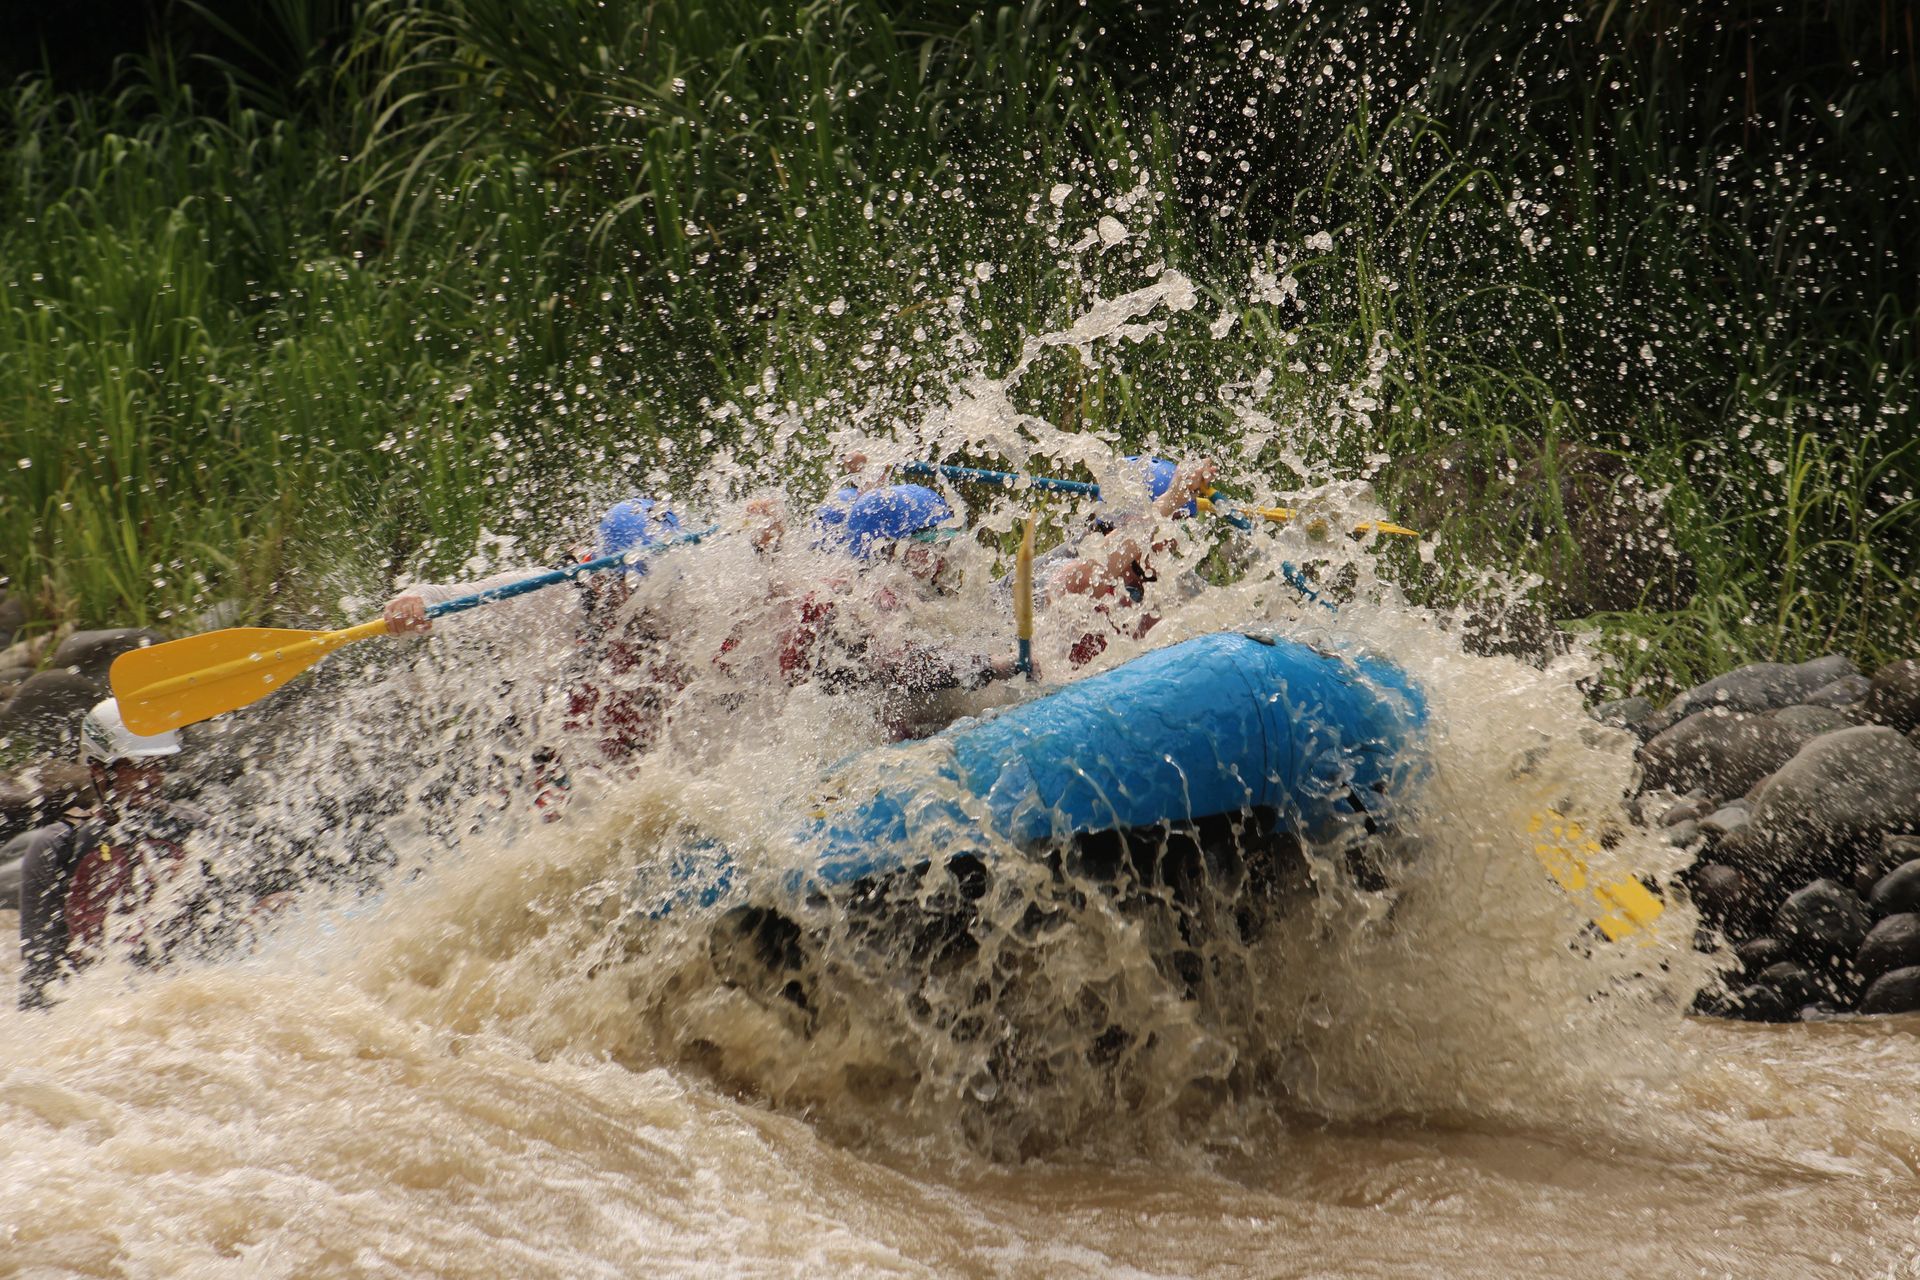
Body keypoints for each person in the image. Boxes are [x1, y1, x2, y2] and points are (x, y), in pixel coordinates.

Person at [382, 498, 693, 789]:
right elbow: (440, 596)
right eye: (632, 585)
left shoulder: (685, 601)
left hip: (646, 756)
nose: (646, 603)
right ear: (602, 573)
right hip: (556, 764)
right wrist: (411, 602)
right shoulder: (550, 597)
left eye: (657, 587)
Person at [775, 483, 1031, 740]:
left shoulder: (908, 588)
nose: (941, 558)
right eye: (931, 546)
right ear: (891, 550)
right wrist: (993, 665)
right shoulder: (865, 596)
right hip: (841, 725)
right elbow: (905, 666)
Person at [17, 699, 206, 1009]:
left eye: (158, 764)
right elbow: (39, 968)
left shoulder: (193, 830)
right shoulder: (58, 846)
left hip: (179, 997)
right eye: (138, 765)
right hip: (96, 1006)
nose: (152, 777)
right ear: (99, 770)